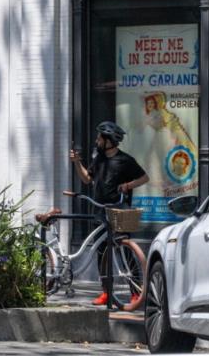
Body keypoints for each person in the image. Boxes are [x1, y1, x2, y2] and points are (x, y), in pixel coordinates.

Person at [69, 120, 148, 308]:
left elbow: (144, 178)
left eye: (99, 138)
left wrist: (127, 185)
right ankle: (106, 292)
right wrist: (77, 162)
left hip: (117, 212)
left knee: (125, 251)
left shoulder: (125, 160)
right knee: (101, 253)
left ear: (109, 140)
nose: (97, 140)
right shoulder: (99, 159)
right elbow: (87, 179)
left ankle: (135, 292)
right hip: (99, 210)